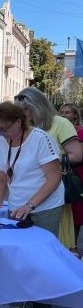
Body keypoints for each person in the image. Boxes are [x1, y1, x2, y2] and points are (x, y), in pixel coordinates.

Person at [0, 102, 64, 308]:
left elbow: (54, 178)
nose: (1, 133)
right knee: (16, 261)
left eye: (4, 128)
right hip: (16, 207)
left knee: (40, 263)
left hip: (44, 207)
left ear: (19, 122)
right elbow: (1, 175)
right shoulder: (2, 141)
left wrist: (30, 205)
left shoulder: (40, 139)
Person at [15, 87, 82, 250]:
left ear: (38, 105)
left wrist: (47, 160)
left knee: (52, 246)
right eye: (19, 109)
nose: (22, 113)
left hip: (52, 192)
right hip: (25, 191)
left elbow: (76, 155)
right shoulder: (23, 127)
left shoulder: (60, 123)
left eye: (25, 109)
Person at [60, 103, 83, 249]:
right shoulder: (58, 128)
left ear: (75, 115)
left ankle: (72, 249)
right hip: (60, 175)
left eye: (67, 112)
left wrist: (56, 159)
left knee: (76, 214)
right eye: (61, 112)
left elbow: (78, 157)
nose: (63, 115)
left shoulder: (79, 132)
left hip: (75, 177)